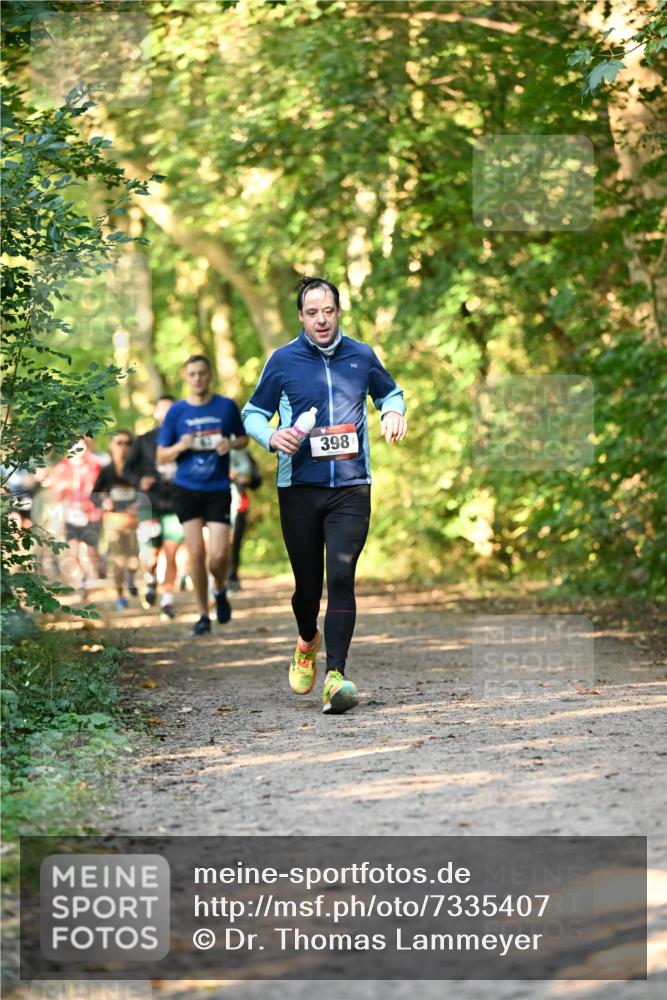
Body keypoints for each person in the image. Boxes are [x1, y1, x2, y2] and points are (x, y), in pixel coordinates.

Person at [242, 276, 407, 715]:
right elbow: (253, 413)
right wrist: (272, 437)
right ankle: (306, 639)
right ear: (301, 316)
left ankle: (335, 675)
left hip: (351, 487)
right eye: (312, 312)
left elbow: (390, 391)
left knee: (341, 576)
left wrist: (393, 411)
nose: (321, 319)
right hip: (299, 487)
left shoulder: (361, 355)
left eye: (328, 311)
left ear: (338, 312)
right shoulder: (282, 360)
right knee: (307, 589)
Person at [156, 355, 248, 636]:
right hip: (187, 489)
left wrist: (229, 443)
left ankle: (219, 589)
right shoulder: (177, 412)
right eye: (192, 374)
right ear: (186, 377)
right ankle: (202, 614)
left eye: (202, 373)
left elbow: (243, 438)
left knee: (219, 555)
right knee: (196, 553)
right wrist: (180, 446)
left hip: (218, 488)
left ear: (210, 376)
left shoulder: (225, 406)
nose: (197, 378)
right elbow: (161, 456)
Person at [123, 395, 184, 619]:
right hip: (150, 504)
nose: (167, 414)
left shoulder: (185, 439)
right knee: (151, 555)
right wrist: (140, 481)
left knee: (172, 553)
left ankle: (167, 600)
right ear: (156, 413)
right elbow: (127, 470)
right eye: (163, 410)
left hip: (177, 502)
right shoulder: (144, 440)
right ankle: (149, 578)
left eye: (172, 410)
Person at [44, 437, 104, 598]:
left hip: (92, 513)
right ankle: (82, 580)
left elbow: (103, 486)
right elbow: (56, 494)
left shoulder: (96, 465)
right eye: (75, 445)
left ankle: (88, 579)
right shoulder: (63, 467)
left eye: (82, 445)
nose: (79, 448)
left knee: (90, 550)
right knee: (73, 552)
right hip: (72, 513)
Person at [91, 430, 140, 610]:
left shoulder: (137, 469)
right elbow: (94, 495)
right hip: (113, 521)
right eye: (119, 443)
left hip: (135, 522)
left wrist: (139, 504)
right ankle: (120, 596)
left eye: (128, 443)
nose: (124, 447)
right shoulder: (107, 471)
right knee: (117, 559)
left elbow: (148, 492)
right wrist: (104, 501)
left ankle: (131, 577)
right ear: (111, 446)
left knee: (134, 559)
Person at [227, 448, 262, 591]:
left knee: (234, 543)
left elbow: (254, 479)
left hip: (238, 505)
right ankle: (218, 578)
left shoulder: (241, 450)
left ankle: (232, 576)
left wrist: (237, 477)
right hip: (213, 500)